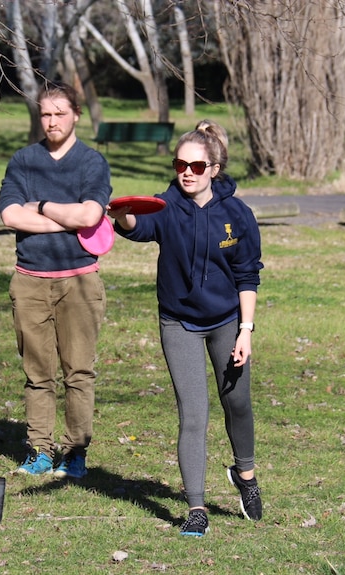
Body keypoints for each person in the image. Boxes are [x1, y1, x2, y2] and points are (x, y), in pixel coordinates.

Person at [108, 120, 264, 536]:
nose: (188, 172)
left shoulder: (237, 214)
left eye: (197, 165)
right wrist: (122, 218)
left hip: (228, 321)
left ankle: (245, 475)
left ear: (215, 168)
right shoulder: (166, 206)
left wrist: (245, 331)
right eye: (181, 164)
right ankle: (196, 508)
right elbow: (140, 229)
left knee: (239, 402)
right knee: (194, 415)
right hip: (178, 322)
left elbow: (248, 275)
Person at [0, 81, 111, 480]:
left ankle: (75, 452)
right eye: (45, 113)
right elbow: (11, 215)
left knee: (78, 372)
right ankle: (40, 450)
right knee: (37, 374)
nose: (52, 121)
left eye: (60, 113)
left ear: (76, 114)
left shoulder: (91, 163)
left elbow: (90, 216)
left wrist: (42, 206)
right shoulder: (24, 161)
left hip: (79, 282)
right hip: (29, 281)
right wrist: (67, 217)